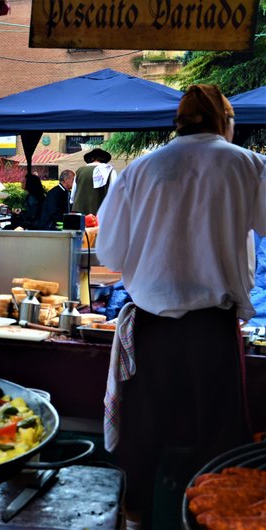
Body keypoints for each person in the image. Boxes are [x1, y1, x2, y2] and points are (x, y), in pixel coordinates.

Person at [96, 85, 266, 529]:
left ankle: (136, 520)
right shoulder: (247, 164)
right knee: (220, 432)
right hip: (212, 325)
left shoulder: (141, 169)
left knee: (145, 430)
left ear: (179, 122)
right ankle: (214, 519)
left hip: (152, 325)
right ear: (224, 122)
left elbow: (110, 253)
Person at [71, 147, 116, 215]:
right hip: (102, 212)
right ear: (104, 159)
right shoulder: (110, 171)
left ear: (90, 158)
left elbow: (73, 195)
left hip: (80, 212)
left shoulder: (80, 171)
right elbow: (114, 192)